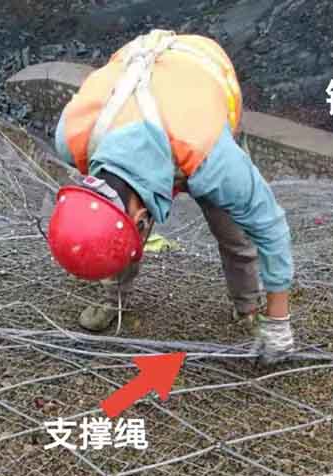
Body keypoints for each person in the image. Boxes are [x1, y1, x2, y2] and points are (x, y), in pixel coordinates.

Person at [45, 29, 296, 365]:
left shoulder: (212, 157)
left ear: (141, 220)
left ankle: (248, 306)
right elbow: (106, 220)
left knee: (234, 232)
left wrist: (279, 320)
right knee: (112, 229)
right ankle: (113, 298)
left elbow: (270, 225)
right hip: (144, 84)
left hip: (200, 74)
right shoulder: (73, 137)